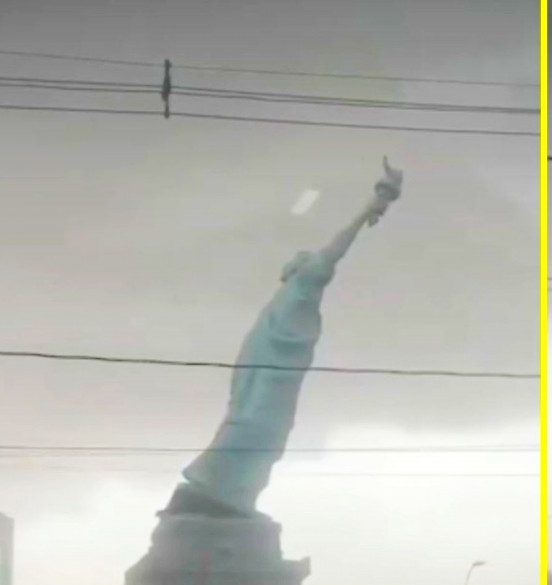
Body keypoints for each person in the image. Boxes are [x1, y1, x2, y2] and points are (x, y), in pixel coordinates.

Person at [164, 159, 404, 517]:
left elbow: (337, 247)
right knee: (252, 428)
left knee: (263, 434)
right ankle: (215, 489)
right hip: (264, 378)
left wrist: (375, 203)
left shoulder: (305, 283)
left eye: (306, 258)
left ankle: (230, 494)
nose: (306, 260)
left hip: (278, 379)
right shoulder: (283, 299)